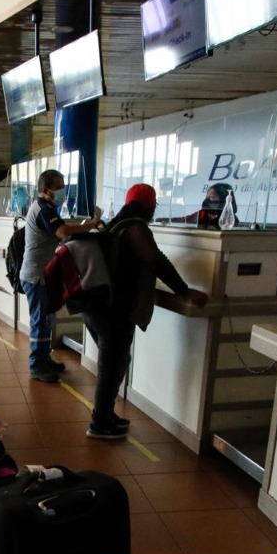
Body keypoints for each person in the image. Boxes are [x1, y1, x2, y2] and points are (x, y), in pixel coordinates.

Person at [82, 184, 207, 439]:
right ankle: (100, 423)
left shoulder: (115, 225)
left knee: (117, 362)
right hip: (113, 311)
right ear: (150, 206)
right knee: (112, 365)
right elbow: (155, 260)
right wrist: (183, 291)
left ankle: (105, 414)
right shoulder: (136, 227)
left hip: (97, 307)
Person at [20, 169, 103, 382]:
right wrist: (92, 225)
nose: (62, 192)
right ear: (46, 190)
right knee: (40, 321)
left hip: (41, 274)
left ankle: (44, 360)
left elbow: (62, 230)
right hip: (35, 275)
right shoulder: (44, 209)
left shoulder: (46, 207)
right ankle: (36, 365)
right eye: (59, 188)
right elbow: (62, 232)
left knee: (46, 320)